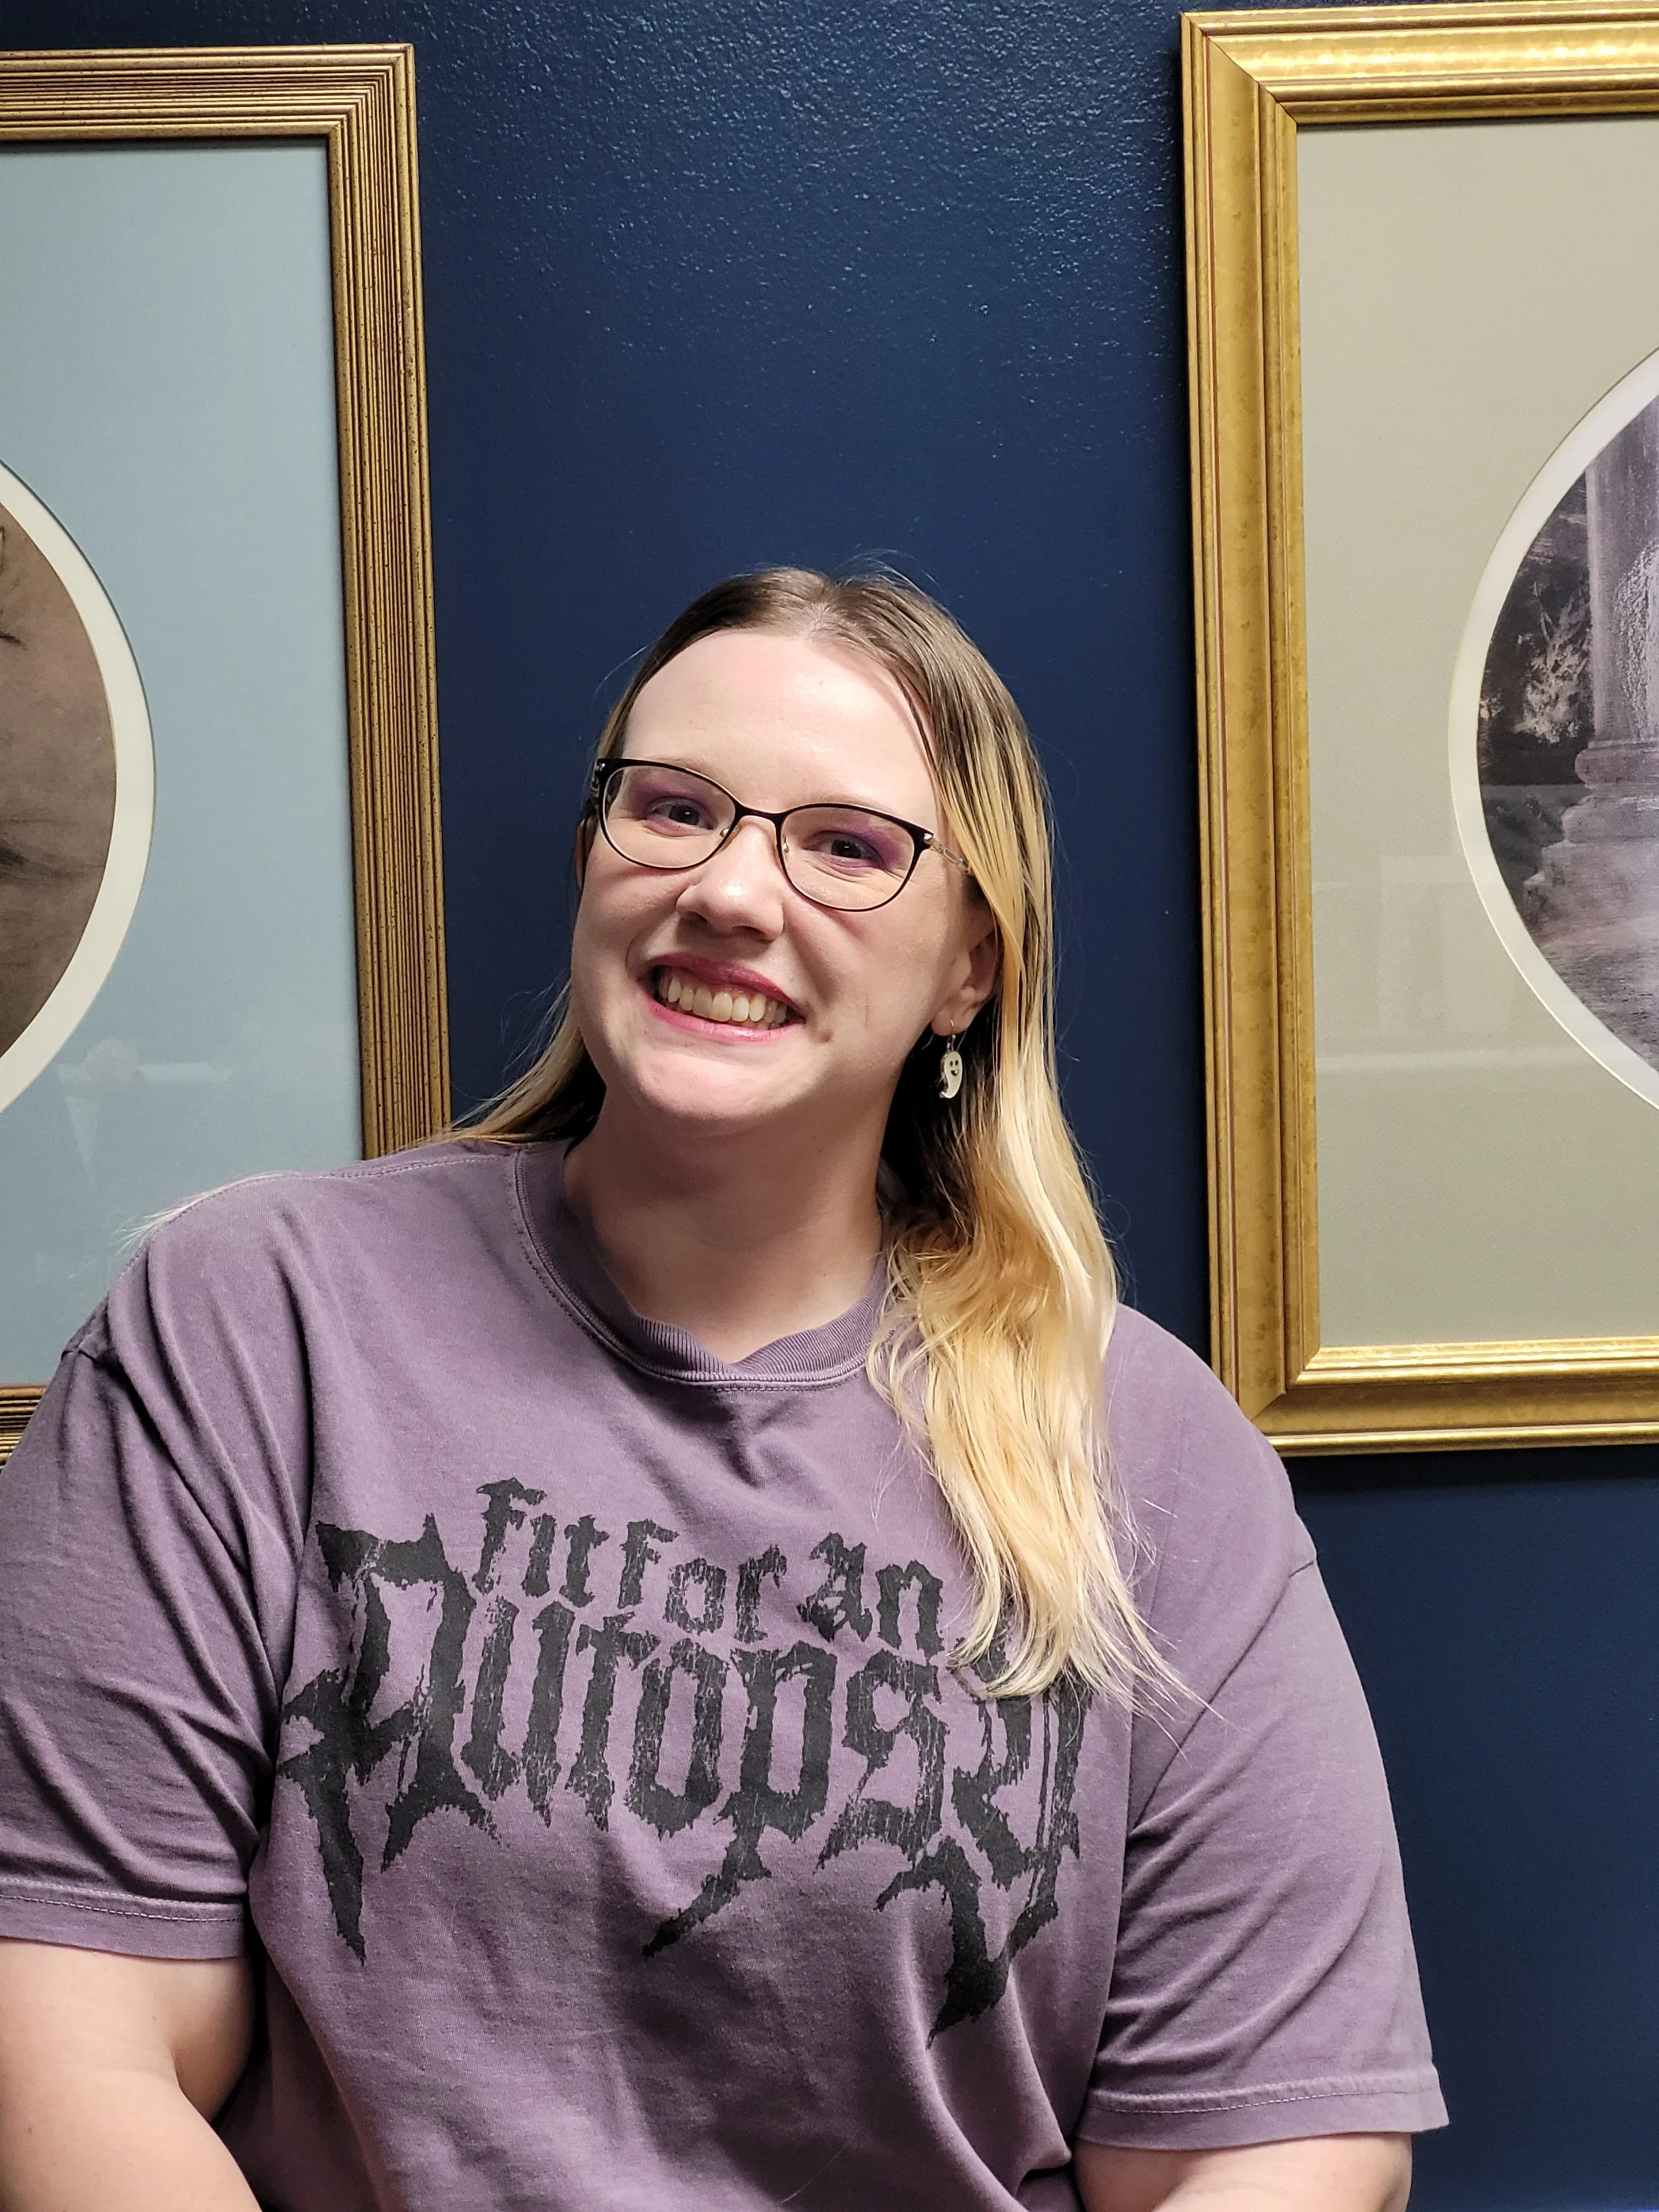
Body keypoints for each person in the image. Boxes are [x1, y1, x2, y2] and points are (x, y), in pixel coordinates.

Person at [0, 569, 1445, 2209]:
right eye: (672, 809)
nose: (730, 891)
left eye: (843, 843)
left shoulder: (1153, 1454)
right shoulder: (252, 1322)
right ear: (592, 857)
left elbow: (1282, 2148)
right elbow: (67, 2030)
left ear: (968, 964)